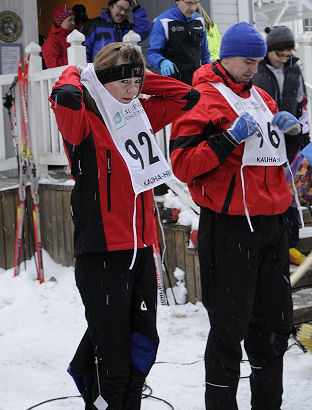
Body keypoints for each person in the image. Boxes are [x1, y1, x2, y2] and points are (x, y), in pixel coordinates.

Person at [49, 42, 200, 409]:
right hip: (102, 253)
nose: (132, 91)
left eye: (137, 82)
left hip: (142, 249)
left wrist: (141, 79)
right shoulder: (83, 117)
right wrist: (82, 74)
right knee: (111, 359)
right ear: (100, 79)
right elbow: (64, 95)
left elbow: (187, 96)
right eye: (124, 82)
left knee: (143, 346)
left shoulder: (139, 113)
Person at [169, 22, 302, 410]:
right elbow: (182, 164)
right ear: (225, 56)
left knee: (273, 325)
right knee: (228, 327)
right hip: (229, 226)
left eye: (258, 62)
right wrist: (228, 137)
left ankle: (268, 403)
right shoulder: (201, 98)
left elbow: (275, 160)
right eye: (247, 61)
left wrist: (292, 136)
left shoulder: (262, 96)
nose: (253, 69)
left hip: (271, 223)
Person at [253, 25, 310, 266]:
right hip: (265, 137)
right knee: (271, 189)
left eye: (288, 55)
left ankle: (290, 245)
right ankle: (271, 245)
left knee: (290, 191)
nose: (284, 59)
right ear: (269, 51)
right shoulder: (256, 70)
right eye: (280, 54)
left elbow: (302, 102)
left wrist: (302, 130)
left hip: (291, 135)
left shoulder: (294, 69)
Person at [146, 0, 210, 85]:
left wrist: (208, 70)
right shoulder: (163, 21)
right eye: (189, 3)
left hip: (198, 81)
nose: (193, 8)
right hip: (174, 82)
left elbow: (205, 53)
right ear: (178, 1)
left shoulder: (199, 20)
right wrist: (161, 62)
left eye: (196, 3)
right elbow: (152, 53)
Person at [80, 0, 151, 62]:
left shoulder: (127, 28)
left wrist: (137, 8)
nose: (123, 13)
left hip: (123, 70)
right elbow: (83, 51)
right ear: (111, 6)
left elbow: (143, 30)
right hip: (99, 70)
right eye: (120, 8)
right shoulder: (93, 25)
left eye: (126, 10)